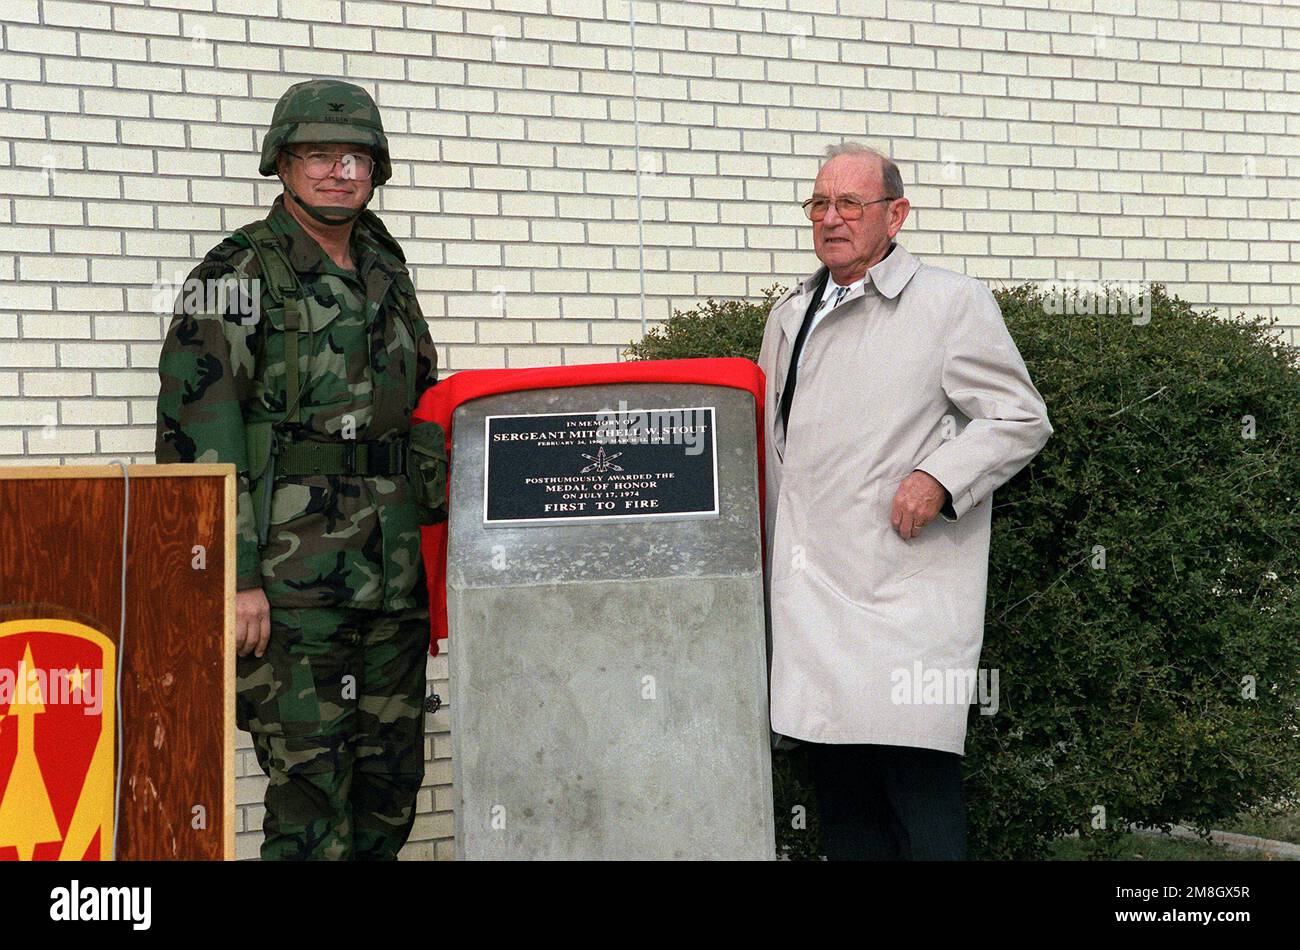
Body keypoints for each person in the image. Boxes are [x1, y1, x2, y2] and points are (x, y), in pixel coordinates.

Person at [155, 78, 447, 860]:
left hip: (392, 580)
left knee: (389, 786)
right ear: (283, 164)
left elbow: (421, 409)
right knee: (311, 797)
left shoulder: (386, 265)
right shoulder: (236, 272)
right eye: (319, 154)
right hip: (292, 591)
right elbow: (197, 434)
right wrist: (235, 579)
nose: (339, 172)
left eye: (356, 157)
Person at [757, 142, 1053, 860]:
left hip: (900, 605)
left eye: (849, 204)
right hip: (813, 599)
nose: (831, 219)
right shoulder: (791, 311)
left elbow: (1019, 416)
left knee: (921, 806)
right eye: (820, 204)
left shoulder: (950, 303)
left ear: (896, 215)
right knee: (847, 811)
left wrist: (941, 478)